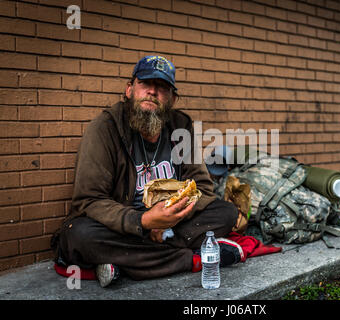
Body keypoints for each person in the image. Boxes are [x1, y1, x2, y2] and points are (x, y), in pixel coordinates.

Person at [51, 55, 240, 287]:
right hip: (126, 224)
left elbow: (202, 187)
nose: (152, 91)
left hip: (173, 222)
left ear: (172, 98)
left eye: (162, 87)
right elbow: (89, 200)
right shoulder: (105, 128)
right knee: (77, 234)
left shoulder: (181, 126)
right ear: (129, 89)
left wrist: (168, 221)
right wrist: (143, 221)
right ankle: (190, 259)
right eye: (145, 83)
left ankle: (126, 261)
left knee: (225, 212)